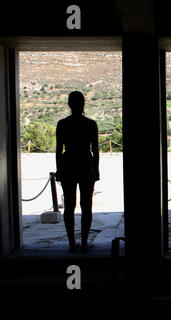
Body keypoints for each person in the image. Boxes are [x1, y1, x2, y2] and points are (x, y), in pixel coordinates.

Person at [55, 91, 100, 252]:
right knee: (86, 205)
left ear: (69, 104)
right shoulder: (90, 124)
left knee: (70, 206)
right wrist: (96, 170)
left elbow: (59, 150)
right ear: (83, 104)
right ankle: (85, 241)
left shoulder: (62, 124)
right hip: (86, 164)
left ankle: (72, 242)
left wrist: (59, 169)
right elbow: (95, 150)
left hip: (68, 164)